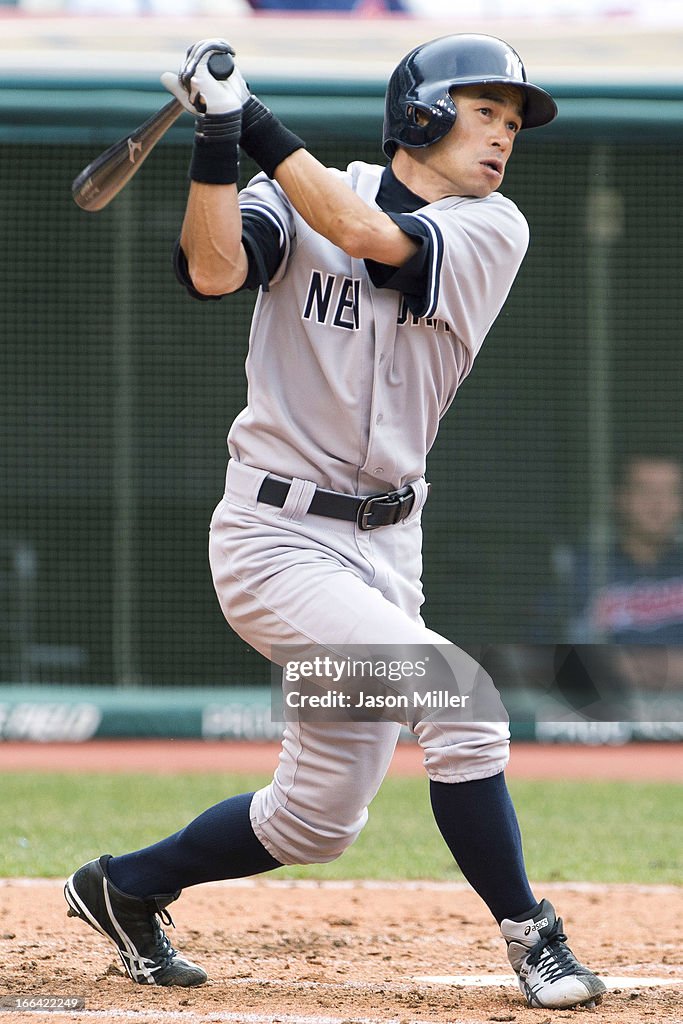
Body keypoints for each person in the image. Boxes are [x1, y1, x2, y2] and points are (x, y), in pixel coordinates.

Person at [63, 34, 606, 1010]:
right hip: (273, 540)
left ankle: (125, 884)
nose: (501, 138)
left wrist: (248, 109)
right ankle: (534, 935)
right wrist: (218, 135)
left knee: (314, 820)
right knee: (463, 704)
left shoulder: (493, 228)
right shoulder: (298, 189)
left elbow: (364, 234)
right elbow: (215, 269)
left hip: (385, 544)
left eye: (512, 123)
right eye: (482, 112)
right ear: (422, 112)